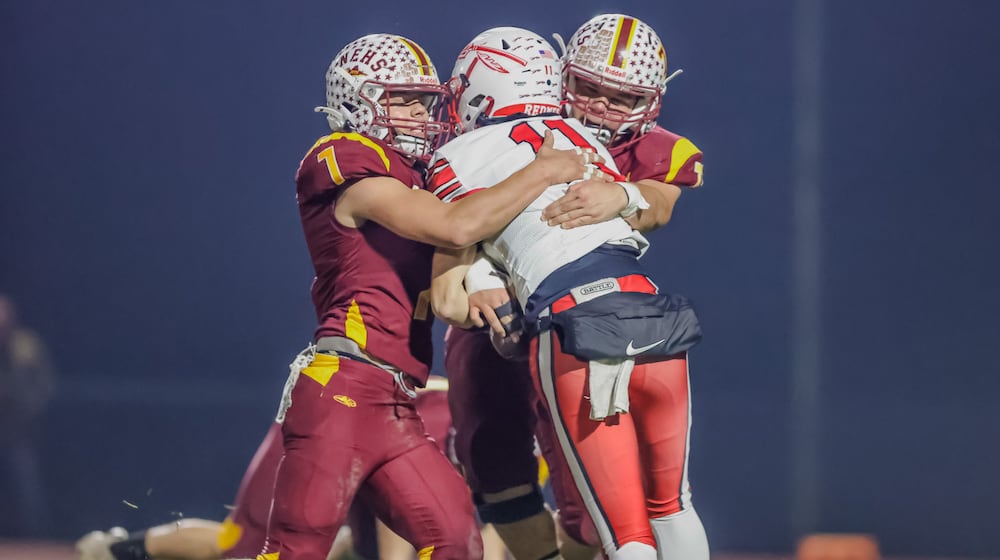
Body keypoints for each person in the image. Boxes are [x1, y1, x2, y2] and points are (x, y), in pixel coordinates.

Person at [76, 31, 607, 560]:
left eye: (426, 101)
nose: (423, 116)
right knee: (289, 551)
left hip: (398, 402)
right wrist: (541, 170)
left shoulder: (420, 174)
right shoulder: (343, 158)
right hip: (342, 389)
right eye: (405, 102)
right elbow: (454, 224)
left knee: (455, 540)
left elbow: (454, 268)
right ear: (360, 100)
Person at [429, 26, 708, 560]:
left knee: (601, 496)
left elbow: (659, 203)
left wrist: (623, 194)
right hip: (502, 319)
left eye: (624, 97)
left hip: (578, 317)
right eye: (589, 87)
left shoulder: (637, 148)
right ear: (557, 76)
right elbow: (460, 234)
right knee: (492, 456)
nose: (604, 106)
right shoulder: (501, 130)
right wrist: (484, 276)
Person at [0, 293, 56, 537]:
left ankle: (36, 537)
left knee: (26, 488)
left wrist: (26, 407)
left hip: (18, 430)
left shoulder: (27, 346)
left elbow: (45, 384)